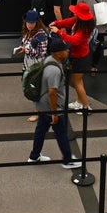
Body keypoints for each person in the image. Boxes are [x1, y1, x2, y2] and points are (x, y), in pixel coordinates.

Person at [26, 36, 81, 168]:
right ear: (58, 53)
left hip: (42, 105)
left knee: (40, 131)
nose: (67, 51)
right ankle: (68, 160)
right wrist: (55, 113)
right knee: (61, 133)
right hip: (51, 108)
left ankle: (34, 156)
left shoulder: (49, 61)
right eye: (65, 50)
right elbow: (52, 92)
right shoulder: (54, 70)